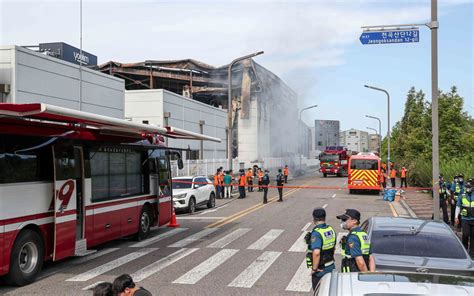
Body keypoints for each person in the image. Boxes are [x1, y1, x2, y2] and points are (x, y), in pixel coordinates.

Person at [305, 208, 336, 290]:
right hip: (331, 266)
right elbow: (334, 248)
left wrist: (314, 269)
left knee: (320, 291)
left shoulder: (317, 233)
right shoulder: (330, 229)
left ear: (314, 219)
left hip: (321, 270)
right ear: (325, 218)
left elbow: (316, 253)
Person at [455, 181, 474, 255]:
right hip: (465, 219)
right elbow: (458, 206)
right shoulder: (462, 196)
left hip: (473, 219)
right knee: (466, 234)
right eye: (467, 187)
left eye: (469, 187)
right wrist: (456, 217)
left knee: (473, 236)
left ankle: (472, 252)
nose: (468, 189)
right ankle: (465, 248)